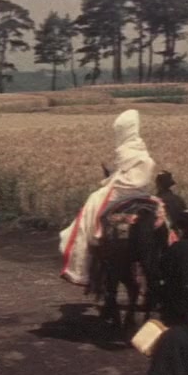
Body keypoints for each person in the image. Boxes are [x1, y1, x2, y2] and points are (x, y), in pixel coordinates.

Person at [59, 109, 158, 286]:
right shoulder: (141, 150)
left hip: (121, 191)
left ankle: (85, 254)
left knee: (92, 204)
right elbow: (139, 177)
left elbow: (126, 179)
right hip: (142, 193)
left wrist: (111, 180)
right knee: (163, 214)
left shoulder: (124, 149)